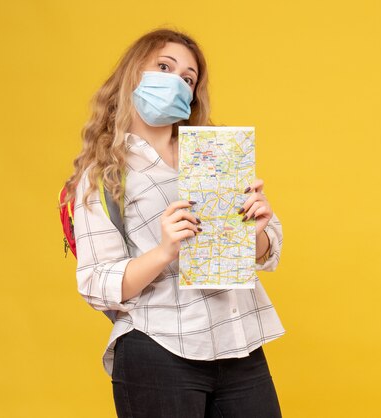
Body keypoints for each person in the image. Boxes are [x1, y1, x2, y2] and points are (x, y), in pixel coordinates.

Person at [63, 28, 285, 417]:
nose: (177, 82)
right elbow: (97, 282)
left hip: (239, 342)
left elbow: (265, 251)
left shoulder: (215, 152)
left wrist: (258, 232)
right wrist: (165, 251)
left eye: (187, 78)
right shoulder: (103, 175)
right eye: (164, 67)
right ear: (134, 74)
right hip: (158, 348)